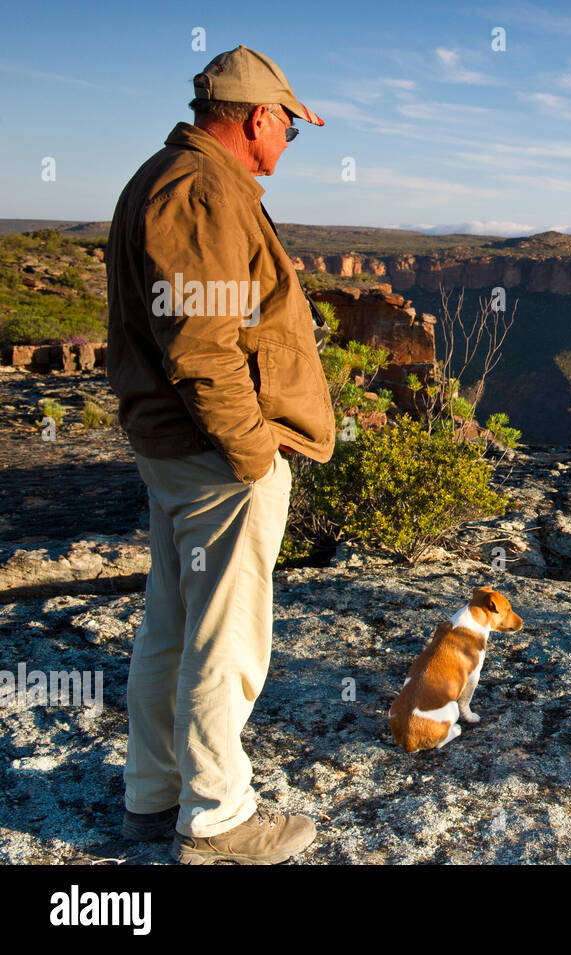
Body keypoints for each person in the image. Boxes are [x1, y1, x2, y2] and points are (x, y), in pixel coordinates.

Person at [105, 45, 335, 864]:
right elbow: (201, 346)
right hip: (214, 459)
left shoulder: (167, 175)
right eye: (289, 130)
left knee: (170, 624)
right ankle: (215, 819)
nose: (287, 147)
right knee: (225, 636)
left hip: (176, 452)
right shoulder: (203, 189)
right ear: (258, 117)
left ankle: (152, 794)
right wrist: (251, 454)